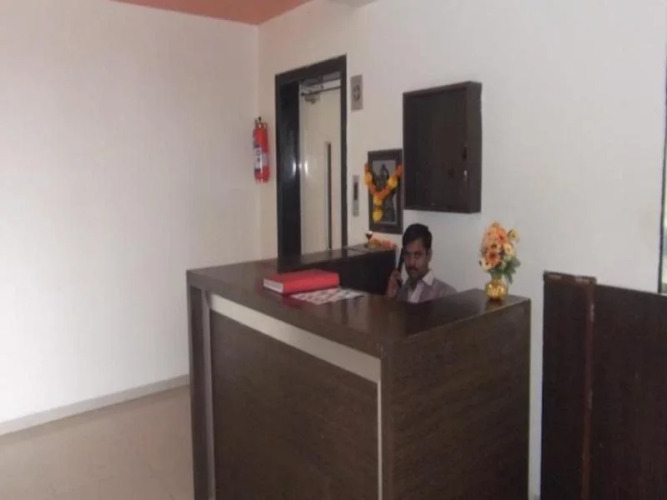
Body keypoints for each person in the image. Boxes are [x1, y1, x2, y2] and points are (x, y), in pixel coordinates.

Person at [386, 223, 456, 303]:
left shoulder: (446, 294)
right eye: (407, 254)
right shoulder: (401, 292)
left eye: (417, 255)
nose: (411, 262)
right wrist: (390, 298)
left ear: (429, 255)